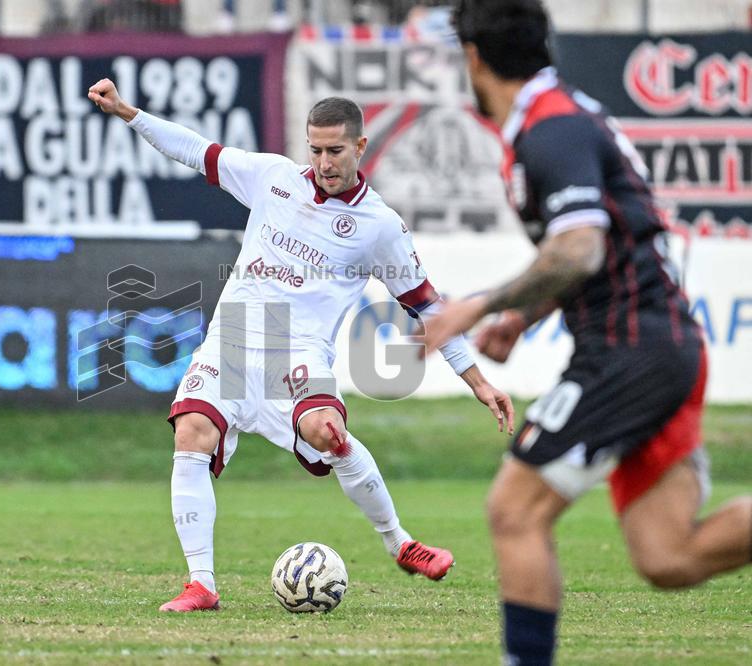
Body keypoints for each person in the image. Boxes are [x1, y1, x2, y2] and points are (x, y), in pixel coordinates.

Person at [88, 78, 515, 612]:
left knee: (329, 434)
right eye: (314, 149)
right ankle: (202, 584)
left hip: (302, 352)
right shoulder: (273, 178)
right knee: (191, 430)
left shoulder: (379, 226)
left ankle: (401, 543)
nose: (323, 161)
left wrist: (477, 381)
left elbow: (428, 307)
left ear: (361, 147)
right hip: (239, 333)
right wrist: (129, 112)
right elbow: (195, 149)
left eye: (335, 150)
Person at [422, 1, 752, 663]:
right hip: (655, 344)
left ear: (474, 58)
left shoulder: (553, 130)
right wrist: (523, 316)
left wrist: (480, 306)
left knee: (514, 510)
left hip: (631, 351)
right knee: (668, 556)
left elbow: (579, 250)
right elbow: (599, 248)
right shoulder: (555, 120)